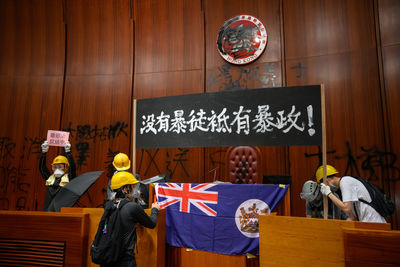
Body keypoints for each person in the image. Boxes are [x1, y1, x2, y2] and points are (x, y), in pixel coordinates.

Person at [105, 171, 160, 267]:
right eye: (133, 186)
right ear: (125, 189)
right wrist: (155, 209)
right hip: (124, 260)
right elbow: (152, 223)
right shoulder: (132, 207)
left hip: (107, 257)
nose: (135, 189)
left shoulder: (108, 206)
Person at [318, 165, 386, 223]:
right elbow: (352, 217)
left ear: (326, 181)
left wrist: (329, 193)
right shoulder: (346, 184)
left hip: (374, 221)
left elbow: (346, 208)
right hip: (366, 222)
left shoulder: (345, 182)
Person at [39, 140, 76, 211]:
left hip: (62, 211)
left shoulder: (68, 178)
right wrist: (44, 153)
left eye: (60, 166)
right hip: (48, 210)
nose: (57, 169)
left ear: (66, 168)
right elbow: (42, 168)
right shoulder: (50, 178)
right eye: (54, 167)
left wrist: (68, 153)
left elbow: (73, 168)